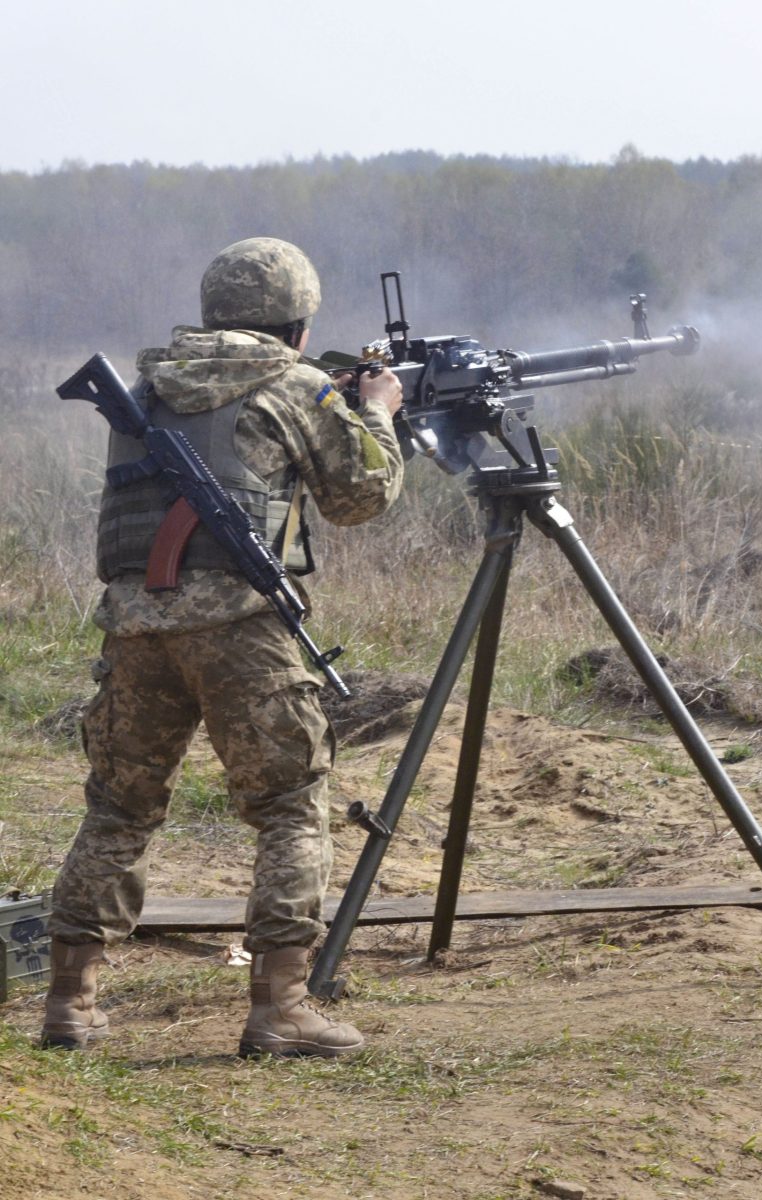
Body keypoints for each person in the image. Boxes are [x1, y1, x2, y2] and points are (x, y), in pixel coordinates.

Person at [41, 237, 404, 1058]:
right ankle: (281, 1006)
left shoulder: (148, 386)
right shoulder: (295, 385)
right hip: (239, 627)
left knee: (119, 807)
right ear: (298, 323)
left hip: (136, 626)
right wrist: (375, 409)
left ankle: (70, 1000)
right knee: (288, 803)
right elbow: (360, 495)